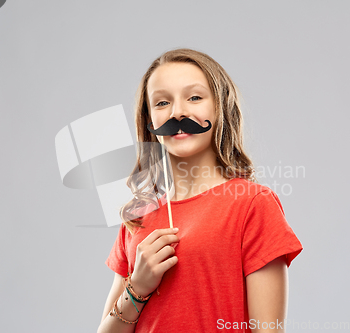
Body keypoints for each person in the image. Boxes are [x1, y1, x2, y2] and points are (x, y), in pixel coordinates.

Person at [97, 48, 303, 333]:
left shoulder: (252, 204)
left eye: (194, 97)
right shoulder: (138, 218)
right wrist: (137, 288)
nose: (177, 111)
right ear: (150, 120)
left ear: (219, 108)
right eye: (161, 102)